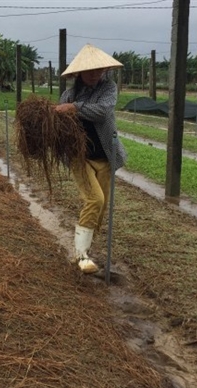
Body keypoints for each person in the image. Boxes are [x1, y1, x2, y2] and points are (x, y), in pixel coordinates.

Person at [54, 44, 127, 274]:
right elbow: (60, 123)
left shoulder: (108, 88)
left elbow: (103, 111)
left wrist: (73, 108)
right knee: (94, 200)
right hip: (80, 158)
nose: (95, 74)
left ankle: (86, 247)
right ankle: (81, 255)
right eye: (89, 71)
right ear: (78, 73)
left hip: (105, 156)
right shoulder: (68, 94)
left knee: (101, 207)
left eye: (99, 70)